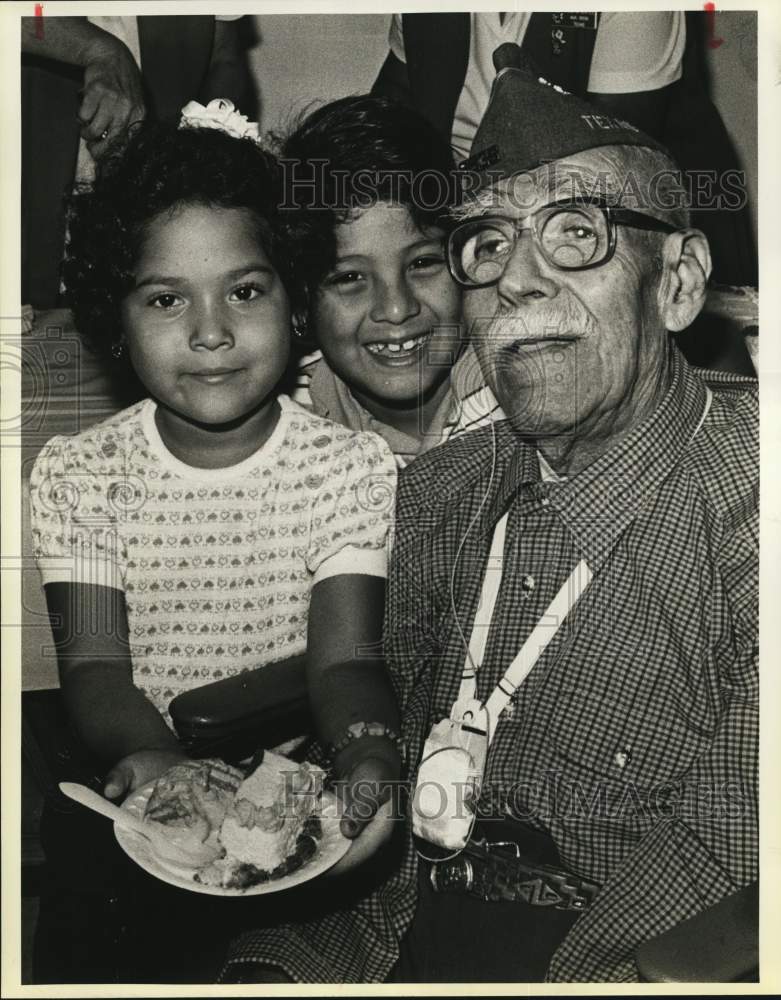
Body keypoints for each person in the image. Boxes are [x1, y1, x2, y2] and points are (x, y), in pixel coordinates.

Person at [222, 49, 757, 983]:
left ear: (677, 282)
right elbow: (374, 739)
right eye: (488, 244)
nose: (516, 280)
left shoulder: (752, 509)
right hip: (384, 927)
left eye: (574, 232)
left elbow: (733, 851)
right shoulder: (441, 494)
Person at [28, 102, 401, 981]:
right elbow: (93, 669)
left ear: (295, 297)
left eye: (244, 290)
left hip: (295, 794)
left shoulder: (346, 466)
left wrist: (367, 746)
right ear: (114, 322)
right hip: (133, 775)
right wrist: (156, 759)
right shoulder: (82, 472)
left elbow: (344, 656)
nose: (211, 331)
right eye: (166, 298)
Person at [373, 10, 756, 286]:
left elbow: (602, 173)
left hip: (624, 210)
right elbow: (391, 110)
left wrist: (447, 218)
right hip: (473, 211)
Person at [279, 95, 493, 468]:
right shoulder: (286, 433)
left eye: (423, 263)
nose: (396, 308)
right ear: (302, 300)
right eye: (349, 277)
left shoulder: (518, 396)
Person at [22, 13, 252, 307]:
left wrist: (199, 153)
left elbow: (224, 57)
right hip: (32, 167)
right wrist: (101, 51)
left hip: (154, 182)